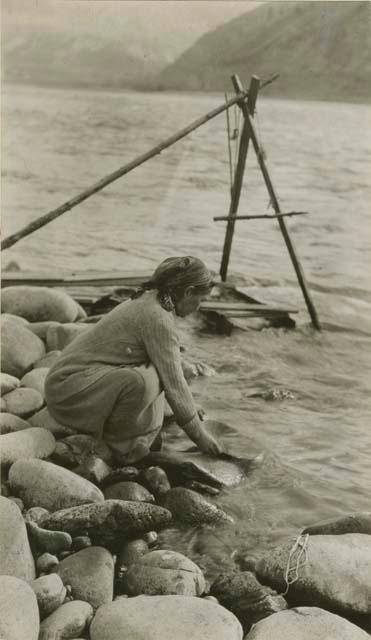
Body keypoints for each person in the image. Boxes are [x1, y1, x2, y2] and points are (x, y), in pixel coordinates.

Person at [45, 256, 224, 464]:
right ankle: (119, 447)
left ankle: (141, 431)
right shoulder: (156, 317)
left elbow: (169, 361)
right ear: (188, 292)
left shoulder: (152, 298)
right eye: (200, 299)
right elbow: (174, 383)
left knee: (154, 372)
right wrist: (199, 435)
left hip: (75, 381)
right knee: (144, 381)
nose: (199, 307)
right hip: (66, 390)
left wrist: (189, 407)